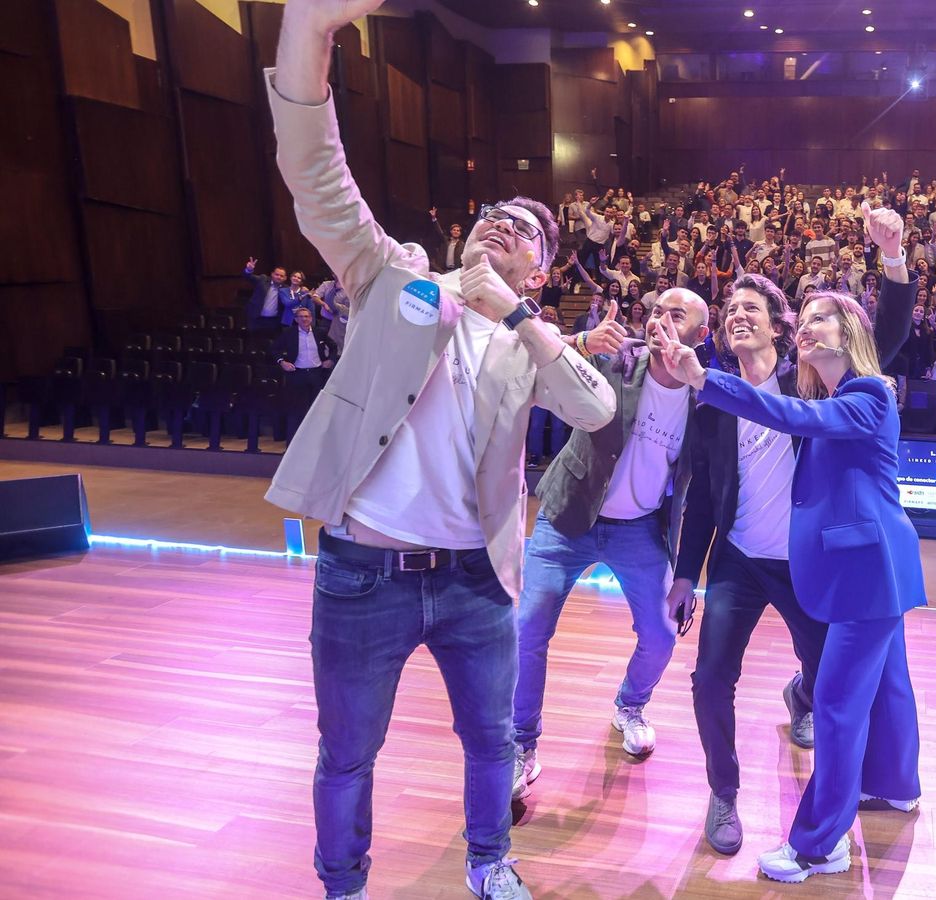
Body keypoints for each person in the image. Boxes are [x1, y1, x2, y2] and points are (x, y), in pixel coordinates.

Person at [265, 2, 618, 897]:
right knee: (346, 753)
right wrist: (309, 31)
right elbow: (316, 173)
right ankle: (342, 883)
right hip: (362, 574)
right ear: (467, 233)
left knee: (491, 740)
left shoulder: (525, 337)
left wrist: (527, 320)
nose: (505, 223)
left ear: (541, 272)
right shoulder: (392, 278)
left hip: (472, 580)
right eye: (495, 214)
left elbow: (596, 406)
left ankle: (487, 863)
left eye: (528, 231)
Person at [652, 286, 924, 885]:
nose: (808, 328)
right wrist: (682, 572)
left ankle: (821, 845)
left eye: (820, 318)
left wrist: (703, 378)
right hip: (845, 568)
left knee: (837, 703)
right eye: (805, 320)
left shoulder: (861, 393)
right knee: (888, 686)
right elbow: (700, 497)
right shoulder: (836, 393)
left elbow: (794, 415)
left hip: (853, 572)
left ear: (849, 332)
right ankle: (897, 787)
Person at [513, 288, 710, 793]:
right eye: (657, 309)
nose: (661, 318)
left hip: (639, 529)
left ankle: (631, 705)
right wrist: (581, 342)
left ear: (700, 335)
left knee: (663, 634)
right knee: (528, 629)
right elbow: (538, 360)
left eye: (677, 314)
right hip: (568, 516)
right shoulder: (616, 360)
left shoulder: (702, 398)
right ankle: (521, 743)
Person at [272, 306, 337, 440]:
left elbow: (334, 346)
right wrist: (282, 362)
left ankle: (316, 440)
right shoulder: (289, 333)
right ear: (296, 319)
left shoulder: (320, 332)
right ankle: (294, 441)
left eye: (306, 316)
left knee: (317, 408)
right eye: (301, 317)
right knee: (296, 410)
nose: (304, 319)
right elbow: (275, 349)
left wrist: (331, 359)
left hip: (317, 374)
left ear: (311, 318)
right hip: (297, 375)